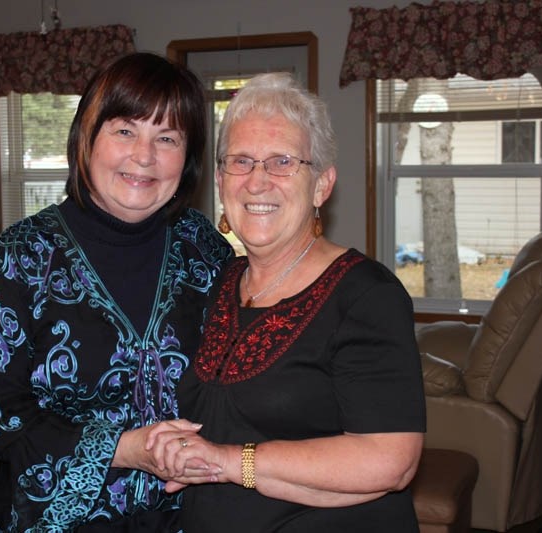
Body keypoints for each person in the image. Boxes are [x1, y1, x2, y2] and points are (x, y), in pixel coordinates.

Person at [0, 52, 234, 533]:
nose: (144, 156)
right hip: (56, 519)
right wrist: (122, 447)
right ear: (86, 137)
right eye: (125, 130)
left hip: (191, 516)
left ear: (187, 159)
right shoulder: (23, 255)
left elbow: (242, 379)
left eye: (166, 138)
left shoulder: (205, 249)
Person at [145, 72, 427, 532]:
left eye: (281, 162)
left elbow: (390, 460)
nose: (257, 182)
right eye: (240, 161)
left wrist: (228, 462)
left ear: (321, 185)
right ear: (220, 180)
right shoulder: (218, 284)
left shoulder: (366, 296)